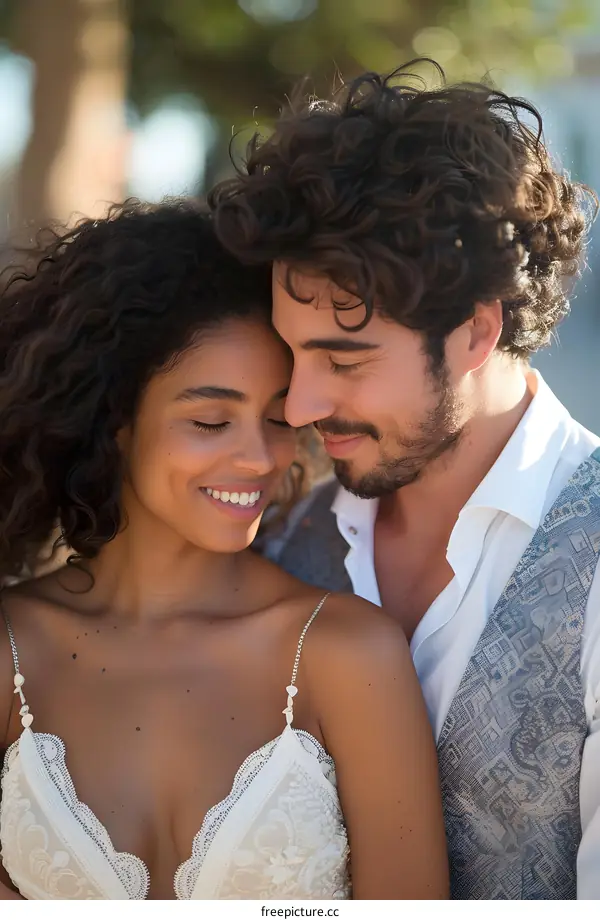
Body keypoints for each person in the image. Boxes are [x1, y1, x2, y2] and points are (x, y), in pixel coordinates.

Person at [210, 60, 600, 899]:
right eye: (293, 353)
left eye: (344, 359)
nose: (304, 402)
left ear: (475, 331)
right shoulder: (274, 539)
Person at [0, 200, 448, 901]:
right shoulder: (11, 651)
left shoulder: (346, 655)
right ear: (114, 419)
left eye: (277, 419)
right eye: (211, 420)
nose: (260, 457)